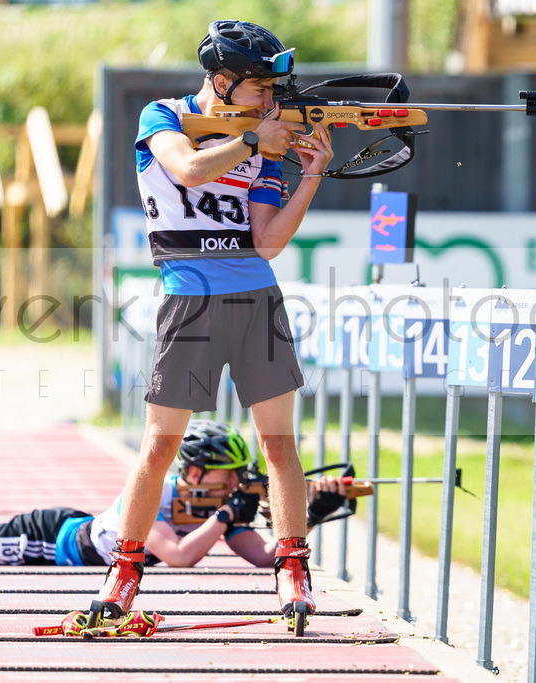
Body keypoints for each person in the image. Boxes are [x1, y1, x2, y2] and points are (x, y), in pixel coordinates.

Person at [92, 19, 333, 629]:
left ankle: (293, 572)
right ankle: (124, 572)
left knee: (280, 447)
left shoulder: (268, 139)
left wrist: (309, 174)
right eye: (260, 89)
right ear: (222, 82)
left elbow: (267, 242)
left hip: (257, 298)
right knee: (160, 446)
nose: (272, 100)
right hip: (188, 301)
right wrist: (256, 142)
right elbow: (188, 171)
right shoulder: (163, 115)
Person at [0, 421, 350, 569]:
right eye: (228, 476)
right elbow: (179, 556)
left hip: (72, 533)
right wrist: (223, 516)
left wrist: (311, 514)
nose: (236, 486)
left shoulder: (220, 506)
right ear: (195, 470)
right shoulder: (156, 491)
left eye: (240, 477)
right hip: (49, 540)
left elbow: (265, 555)